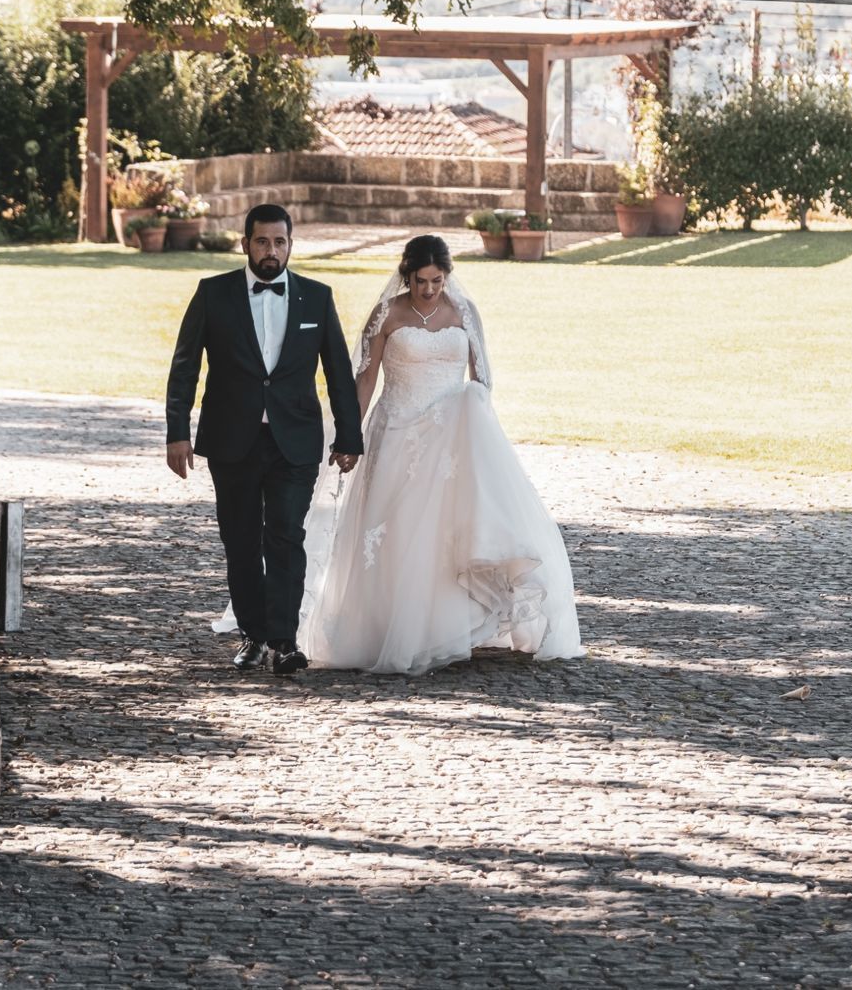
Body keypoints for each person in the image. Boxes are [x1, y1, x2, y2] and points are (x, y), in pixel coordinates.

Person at [297, 234, 585, 675]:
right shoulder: (388, 314)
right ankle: (388, 626)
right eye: (420, 281)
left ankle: (444, 626)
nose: (429, 289)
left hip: (449, 436)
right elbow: (366, 380)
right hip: (395, 430)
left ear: (446, 275)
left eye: (436, 280)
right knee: (393, 528)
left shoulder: (463, 312)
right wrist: (350, 435)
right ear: (406, 275)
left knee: (442, 531)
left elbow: (481, 379)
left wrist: (468, 424)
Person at [165, 203, 362, 676]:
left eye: (279, 242)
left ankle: (284, 641)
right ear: (245, 244)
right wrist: (177, 433)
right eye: (261, 241)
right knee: (240, 540)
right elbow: (185, 366)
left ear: (291, 245)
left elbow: (338, 370)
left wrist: (350, 435)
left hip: (294, 441)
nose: (271, 250)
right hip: (233, 439)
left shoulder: (317, 298)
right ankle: (252, 636)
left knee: (286, 538)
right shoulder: (213, 294)